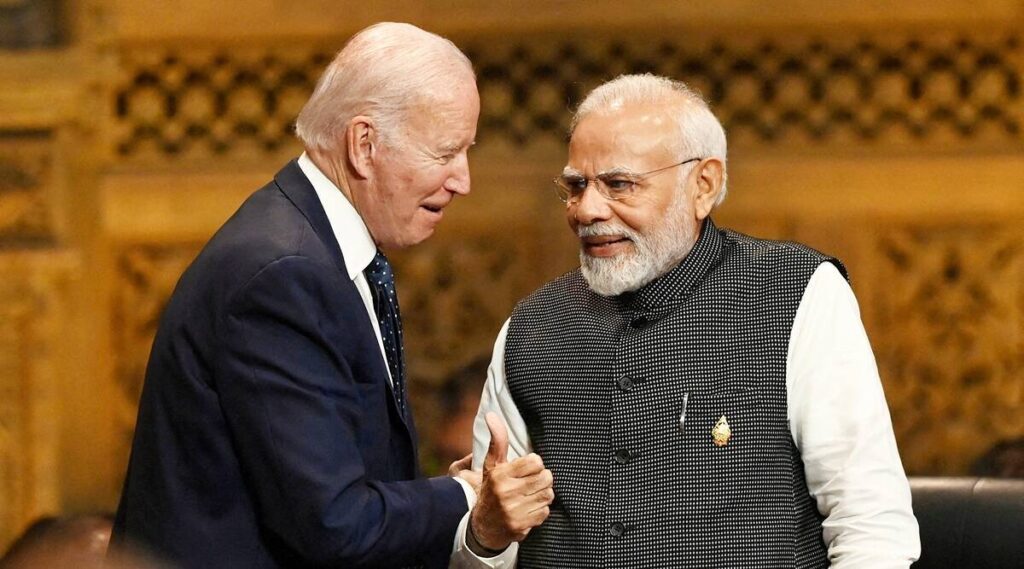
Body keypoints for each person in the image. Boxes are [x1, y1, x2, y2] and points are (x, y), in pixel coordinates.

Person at [110, 22, 551, 569]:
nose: (463, 180)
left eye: (468, 151)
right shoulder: (282, 274)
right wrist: (466, 496)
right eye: (445, 153)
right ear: (364, 145)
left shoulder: (314, 247)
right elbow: (333, 523)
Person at [453, 74, 920, 568]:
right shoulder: (532, 328)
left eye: (618, 184)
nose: (586, 210)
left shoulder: (796, 293)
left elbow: (870, 527)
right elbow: (485, 551)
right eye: (575, 186)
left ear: (703, 185)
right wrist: (483, 534)